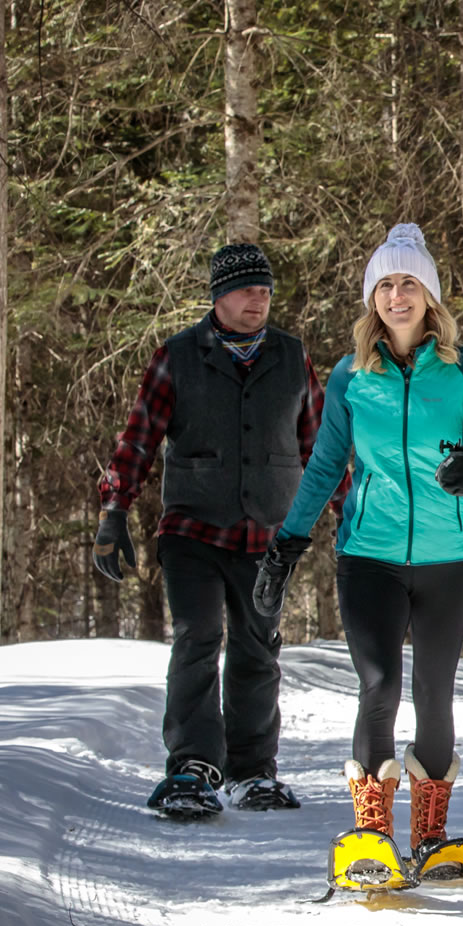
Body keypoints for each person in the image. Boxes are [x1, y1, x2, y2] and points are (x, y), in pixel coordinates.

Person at [256, 222, 463, 877]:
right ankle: (371, 833)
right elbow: (325, 464)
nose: (398, 295)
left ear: (430, 295)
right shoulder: (349, 377)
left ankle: (431, 837)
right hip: (369, 554)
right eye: (386, 285)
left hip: (450, 558)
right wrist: (286, 545)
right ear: (373, 299)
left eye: (410, 283)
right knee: (379, 685)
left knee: (435, 691)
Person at [97, 242, 339, 817]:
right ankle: (193, 767)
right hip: (192, 529)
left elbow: (322, 446)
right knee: (198, 636)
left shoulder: (292, 356)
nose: (259, 299)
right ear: (218, 295)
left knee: (258, 647)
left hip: (269, 535)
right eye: (247, 289)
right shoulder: (176, 356)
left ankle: (253, 770)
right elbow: (138, 439)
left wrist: (348, 512)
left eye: (265, 290)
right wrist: (114, 510)